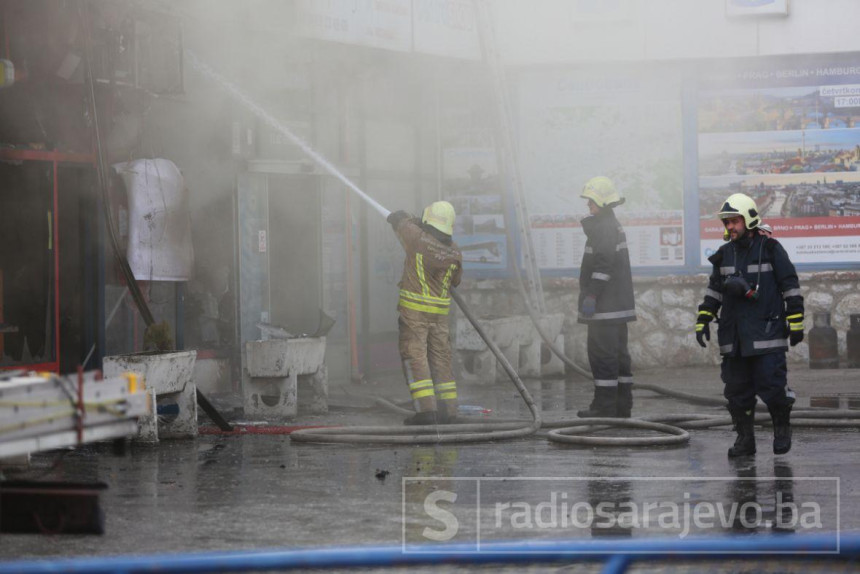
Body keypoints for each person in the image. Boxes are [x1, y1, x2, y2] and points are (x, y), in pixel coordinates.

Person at [695, 193, 804, 457]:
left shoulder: (770, 249)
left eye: (734, 221)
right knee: (737, 393)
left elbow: (789, 285)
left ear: (749, 219)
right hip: (735, 338)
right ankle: (746, 440)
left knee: (772, 386)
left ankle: (781, 430)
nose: (730, 227)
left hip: (766, 334)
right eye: (727, 222)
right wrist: (704, 318)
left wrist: (796, 320)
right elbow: (714, 292)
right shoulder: (724, 255)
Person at [387, 201, 463, 425]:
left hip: (415, 314)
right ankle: (448, 411)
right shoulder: (455, 251)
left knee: (415, 357)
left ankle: (426, 411)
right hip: (439, 316)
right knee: (441, 360)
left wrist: (401, 216)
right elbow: (456, 282)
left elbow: (399, 221)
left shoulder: (418, 239)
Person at [576, 176, 637, 418]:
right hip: (617, 307)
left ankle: (604, 407)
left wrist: (591, 296)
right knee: (619, 356)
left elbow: (602, 266)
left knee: (603, 357)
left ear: (602, 201)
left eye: (591, 201)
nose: (588, 206)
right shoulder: (611, 224)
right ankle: (622, 406)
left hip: (604, 307)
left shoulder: (602, 227)